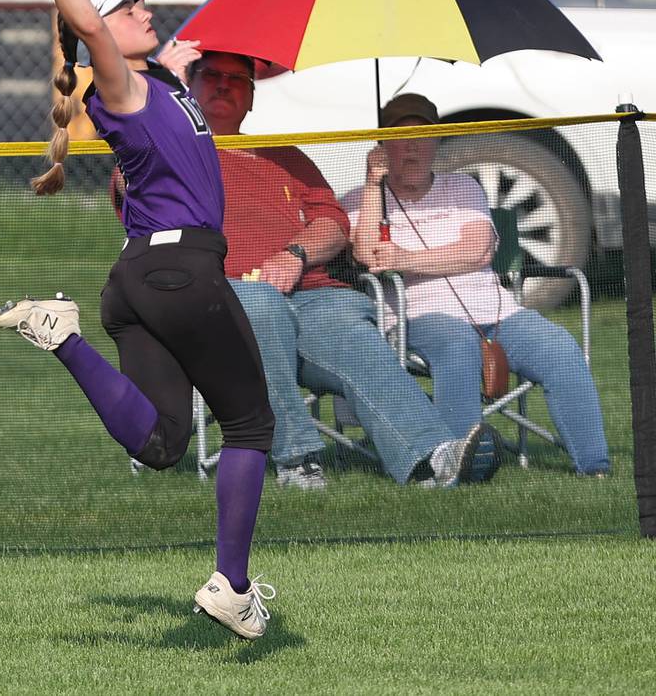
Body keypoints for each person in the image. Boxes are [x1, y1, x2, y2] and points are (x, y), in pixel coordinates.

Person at [0, 0, 276, 640]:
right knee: (251, 425)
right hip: (183, 271)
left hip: (134, 287)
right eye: (131, 10)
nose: (147, 6)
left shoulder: (158, 78)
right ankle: (233, 584)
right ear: (106, 36)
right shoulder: (115, 85)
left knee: (161, 442)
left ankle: (64, 338)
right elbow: (87, 15)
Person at [167, 49, 503, 490]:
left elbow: (333, 224)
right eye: (212, 76)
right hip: (224, 300)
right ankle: (297, 459)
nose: (225, 85)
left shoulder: (284, 157)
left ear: (252, 98)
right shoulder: (167, 157)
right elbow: (132, 199)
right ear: (189, 87)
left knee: (353, 337)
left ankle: (433, 458)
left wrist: (295, 254)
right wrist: (166, 103)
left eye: (238, 80)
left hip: (313, 294)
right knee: (262, 305)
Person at [346, 92, 610, 477]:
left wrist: (405, 260)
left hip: (497, 311)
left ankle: (595, 467)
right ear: (383, 145)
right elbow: (368, 256)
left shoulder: (463, 188)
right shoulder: (361, 200)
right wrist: (373, 186)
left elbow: (477, 251)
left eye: (424, 136)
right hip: (416, 317)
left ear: (439, 141)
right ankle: (458, 464)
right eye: (402, 137)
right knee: (456, 341)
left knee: (558, 345)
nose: (414, 147)